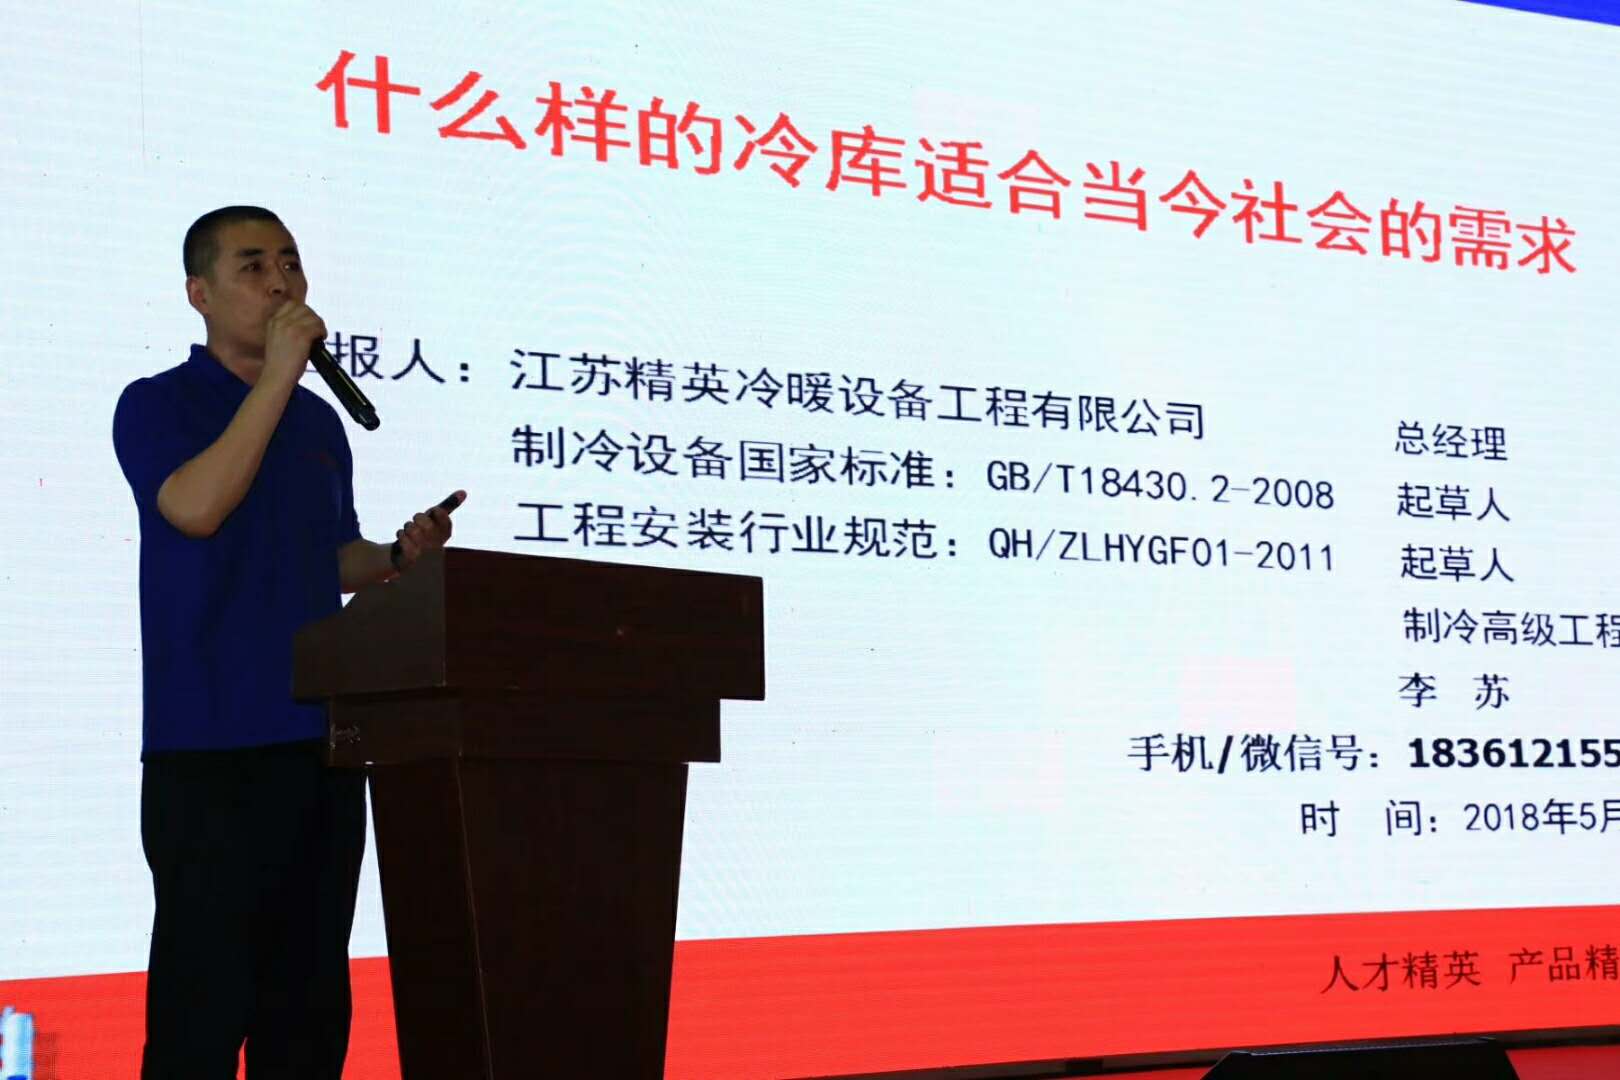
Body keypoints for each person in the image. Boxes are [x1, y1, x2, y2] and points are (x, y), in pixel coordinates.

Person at [113, 205, 464, 1078]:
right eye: (253, 266)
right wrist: (277, 376)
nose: (281, 282)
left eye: (291, 263)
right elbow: (195, 509)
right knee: (200, 1012)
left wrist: (395, 557)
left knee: (306, 1012)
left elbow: (330, 558)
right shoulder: (157, 403)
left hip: (322, 743)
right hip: (210, 748)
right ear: (199, 293)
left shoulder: (317, 424)